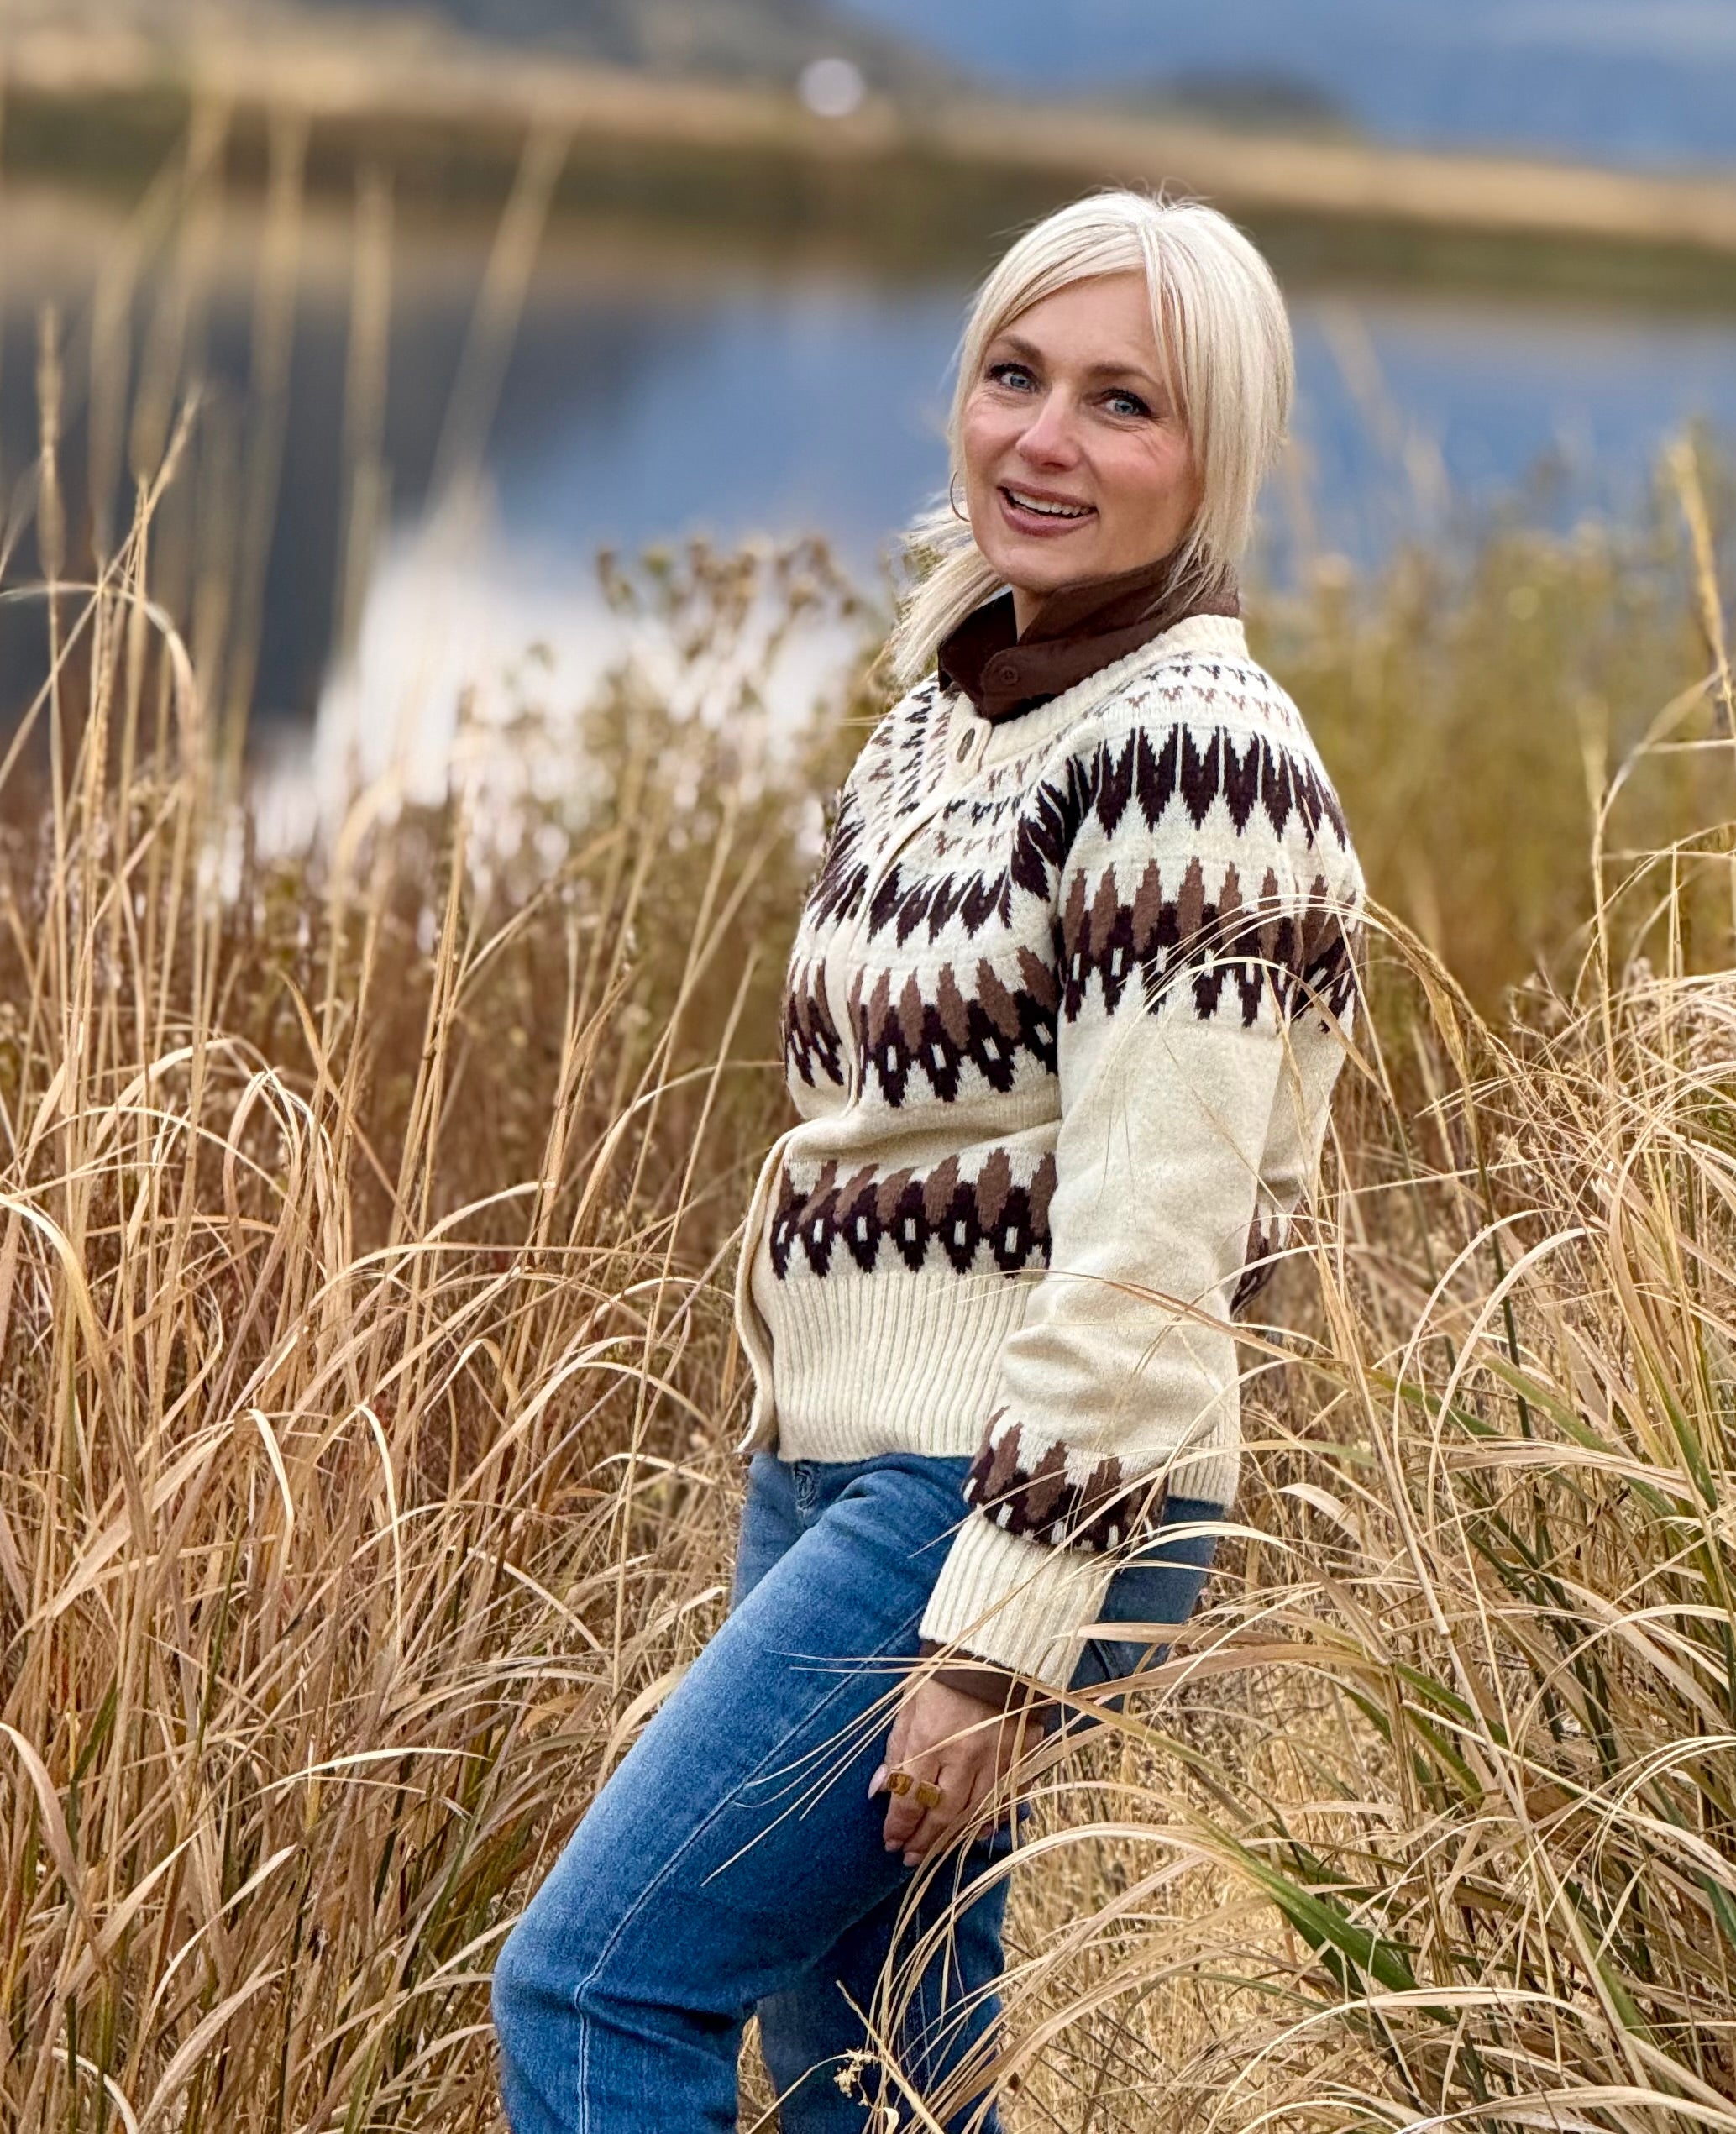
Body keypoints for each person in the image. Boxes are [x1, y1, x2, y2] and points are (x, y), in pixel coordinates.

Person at [490, 187, 1368, 2134]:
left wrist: (991, 1636)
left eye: (1120, 403)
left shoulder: (1194, 759)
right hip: (845, 1461)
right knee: (869, 2064)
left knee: (594, 1983)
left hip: (988, 1488)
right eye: (1013, 375)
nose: (1042, 440)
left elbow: (1153, 1255)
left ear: (1210, 457)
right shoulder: (963, 698)